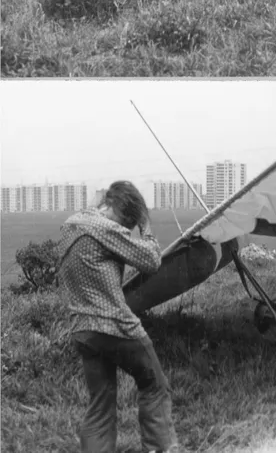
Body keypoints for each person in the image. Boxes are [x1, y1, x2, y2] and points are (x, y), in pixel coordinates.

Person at [57, 181, 176, 453]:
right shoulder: (105, 228)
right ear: (119, 208)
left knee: (100, 405)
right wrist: (145, 226)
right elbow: (152, 260)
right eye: (128, 221)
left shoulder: (70, 224)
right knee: (155, 386)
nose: (126, 229)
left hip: (81, 330)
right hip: (114, 325)